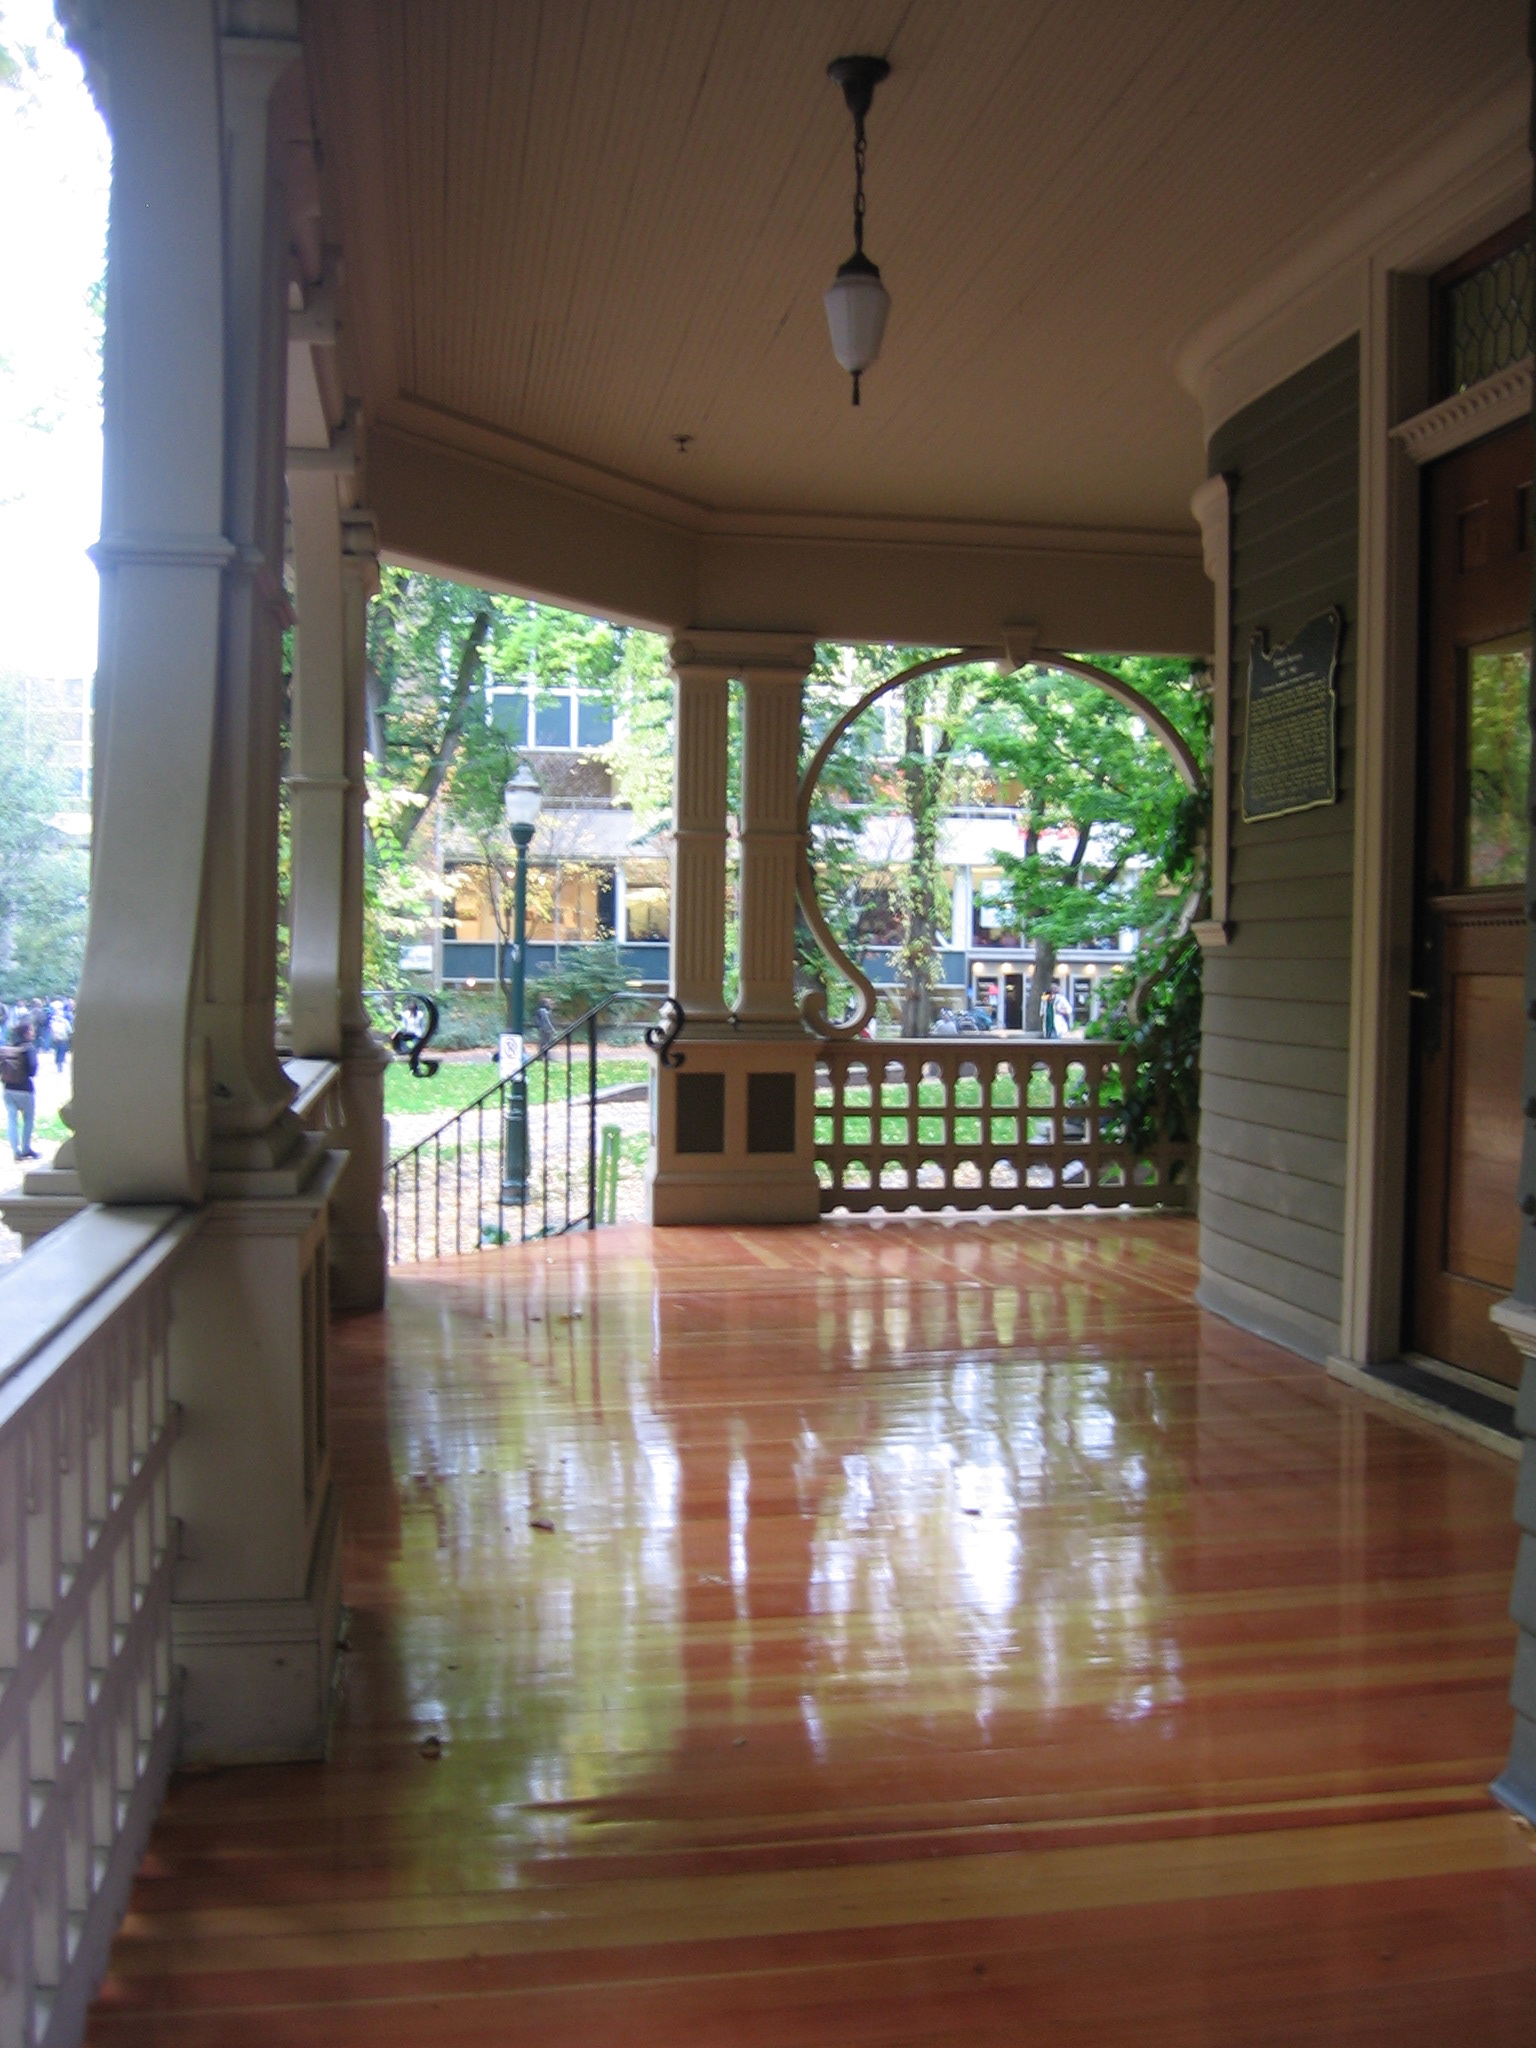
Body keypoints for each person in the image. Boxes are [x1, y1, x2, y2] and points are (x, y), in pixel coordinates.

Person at [2, 1021, 39, 1162]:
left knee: (12, 1119)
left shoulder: (8, 1048)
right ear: (26, 1033)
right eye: (31, 1030)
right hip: (25, 1090)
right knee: (28, 1119)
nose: (33, 1032)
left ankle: (15, 1151)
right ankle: (26, 1148)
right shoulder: (28, 1048)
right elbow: (32, 1070)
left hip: (8, 1089)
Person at [48, 997, 71, 1071]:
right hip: (64, 1037)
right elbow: (69, 1029)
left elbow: (51, 1029)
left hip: (56, 1037)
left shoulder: (53, 1021)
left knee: (58, 1050)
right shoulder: (65, 1021)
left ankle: (58, 1061)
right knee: (62, 1050)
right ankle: (60, 1061)